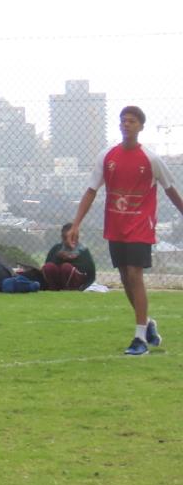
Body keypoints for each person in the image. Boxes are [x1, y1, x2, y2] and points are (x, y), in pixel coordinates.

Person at [71, 105, 183, 355]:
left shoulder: (151, 159)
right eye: (123, 120)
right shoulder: (107, 156)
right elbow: (91, 190)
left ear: (141, 126)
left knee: (134, 275)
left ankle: (139, 339)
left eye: (132, 121)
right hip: (116, 226)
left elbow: (170, 190)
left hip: (140, 226)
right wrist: (76, 223)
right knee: (125, 278)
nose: (126, 124)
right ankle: (147, 323)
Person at [42, 223, 96, 290]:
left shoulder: (83, 250)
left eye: (73, 237)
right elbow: (47, 265)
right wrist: (59, 257)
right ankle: (53, 289)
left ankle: (69, 289)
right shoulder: (56, 248)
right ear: (62, 237)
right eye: (66, 238)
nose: (70, 240)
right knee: (49, 266)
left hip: (75, 282)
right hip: (58, 281)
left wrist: (83, 288)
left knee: (66, 267)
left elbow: (91, 274)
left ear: (77, 237)